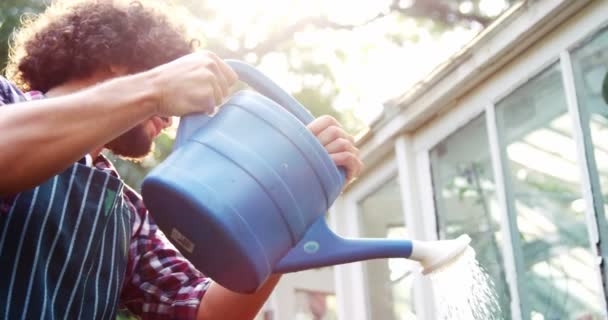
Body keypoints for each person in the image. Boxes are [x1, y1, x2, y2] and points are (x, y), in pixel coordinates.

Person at [0, 0, 363, 319]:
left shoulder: (125, 211)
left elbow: (202, 312)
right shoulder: (6, 102)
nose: (172, 119)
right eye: (169, 74)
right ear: (115, 59)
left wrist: (296, 203)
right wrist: (155, 90)